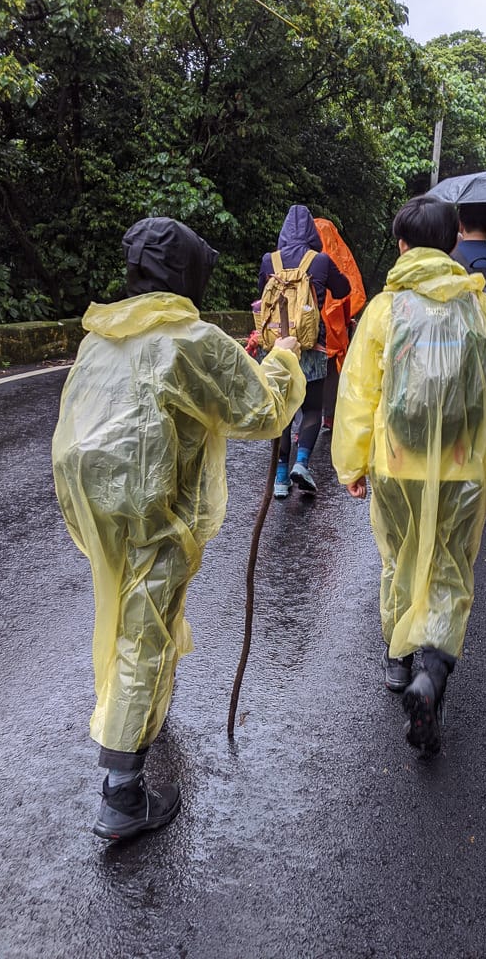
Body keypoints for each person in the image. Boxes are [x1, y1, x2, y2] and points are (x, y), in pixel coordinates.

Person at [52, 217, 305, 841]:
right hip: (153, 505)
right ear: (186, 272)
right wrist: (285, 355)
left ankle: (143, 717)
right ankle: (121, 792)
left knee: (128, 613)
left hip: (96, 500)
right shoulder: (191, 339)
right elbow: (262, 410)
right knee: (144, 630)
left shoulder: (103, 334)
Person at [331, 195, 486, 757]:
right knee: (450, 567)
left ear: (401, 245)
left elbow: (360, 393)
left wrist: (353, 461)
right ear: (454, 244)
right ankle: (431, 677)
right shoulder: (479, 307)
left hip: (395, 463)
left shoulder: (387, 309)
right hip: (461, 466)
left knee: (399, 557)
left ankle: (397, 661)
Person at [258, 205, 350, 497]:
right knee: (311, 408)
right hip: (311, 344)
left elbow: (261, 296)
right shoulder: (319, 260)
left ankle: (281, 478)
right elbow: (344, 288)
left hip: (275, 348)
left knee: (282, 410)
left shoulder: (268, 260)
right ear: (312, 232)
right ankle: (302, 462)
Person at [313, 218, 366, 432]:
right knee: (332, 373)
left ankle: (304, 422)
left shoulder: (298, 259)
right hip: (332, 330)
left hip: (307, 329)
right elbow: (346, 293)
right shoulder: (334, 261)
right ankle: (330, 415)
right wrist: (346, 320)